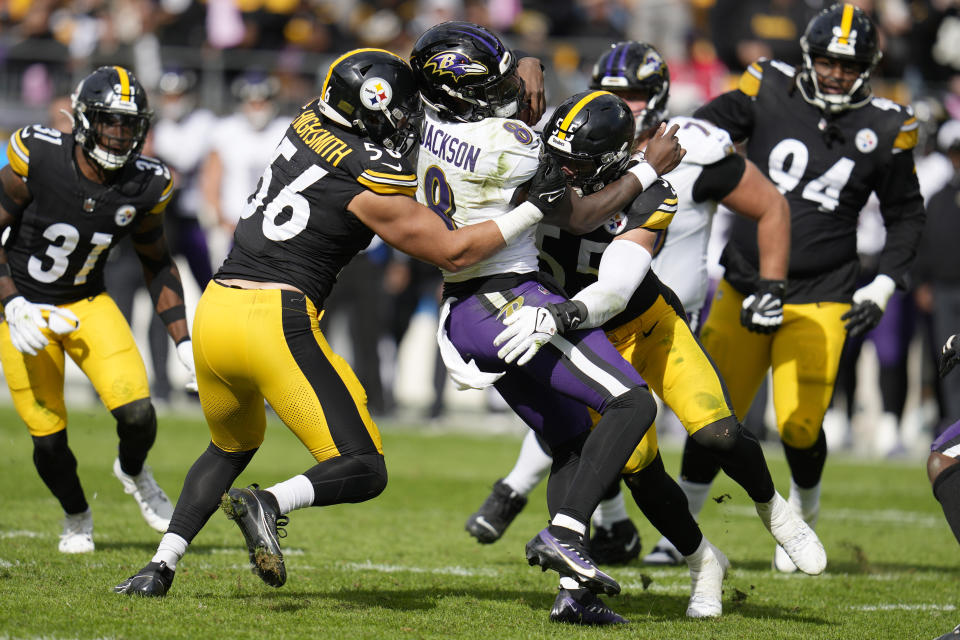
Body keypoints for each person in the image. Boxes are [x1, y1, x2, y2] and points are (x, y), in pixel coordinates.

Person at [113, 47, 566, 597]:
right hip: (272, 321)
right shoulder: (369, 179)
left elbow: (383, 85)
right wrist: (534, 207)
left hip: (216, 312)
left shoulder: (308, 116)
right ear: (371, 113)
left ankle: (159, 567)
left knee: (227, 448)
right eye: (398, 114)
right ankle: (269, 502)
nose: (406, 123)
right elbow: (452, 252)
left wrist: (508, 65)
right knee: (364, 467)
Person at [463, 40, 803, 574]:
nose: (564, 171)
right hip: (584, 332)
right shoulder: (546, 161)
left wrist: (559, 313)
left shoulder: (656, 190)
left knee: (717, 432)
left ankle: (774, 509)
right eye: (561, 161)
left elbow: (616, 283)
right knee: (637, 466)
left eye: (580, 164)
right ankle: (697, 560)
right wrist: (528, 60)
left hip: (646, 321)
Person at [675, 2, 926, 572]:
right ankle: (682, 526)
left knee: (798, 422)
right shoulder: (769, 85)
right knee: (711, 411)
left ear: (868, 66)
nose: (837, 72)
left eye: (849, 63)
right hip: (745, 280)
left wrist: (884, 282)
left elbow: (906, 215)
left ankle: (804, 515)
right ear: (810, 58)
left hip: (824, 290)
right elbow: (709, 125)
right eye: (828, 61)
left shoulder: (889, 125)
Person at [0, 66, 198, 553]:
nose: (119, 133)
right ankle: (76, 516)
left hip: (87, 302)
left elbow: (158, 262)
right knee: (48, 439)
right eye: (110, 121)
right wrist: (12, 303)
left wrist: (184, 339)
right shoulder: (39, 155)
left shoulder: (148, 184)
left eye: (129, 125)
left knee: (137, 412)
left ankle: (133, 471)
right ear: (84, 119)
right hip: (25, 308)